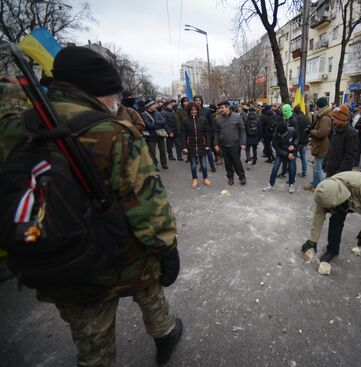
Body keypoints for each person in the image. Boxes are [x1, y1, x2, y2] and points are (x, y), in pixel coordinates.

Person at [1, 46, 182, 366]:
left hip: (57, 255)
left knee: (92, 339)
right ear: (101, 91)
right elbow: (147, 205)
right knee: (149, 289)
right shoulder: (113, 132)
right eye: (116, 94)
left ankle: (156, 335)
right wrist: (166, 247)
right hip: (122, 252)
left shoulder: (17, 127)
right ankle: (165, 333)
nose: (118, 102)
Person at [300, 172, 361, 262]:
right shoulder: (324, 193)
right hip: (342, 201)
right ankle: (332, 250)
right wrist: (313, 240)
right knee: (335, 221)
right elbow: (319, 216)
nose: (328, 209)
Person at [214, 101, 246, 185]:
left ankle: (242, 177)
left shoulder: (237, 117)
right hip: (224, 145)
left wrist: (243, 143)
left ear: (228, 107)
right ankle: (230, 177)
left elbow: (242, 131)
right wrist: (216, 143)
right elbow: (216, 132)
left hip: (235, 145)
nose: (220, 110)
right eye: (220, 108)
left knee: (236, 162)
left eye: (222, 108)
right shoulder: (218, 119)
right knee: (227, 163)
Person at [303, 97, 332, 191]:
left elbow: (322, 133)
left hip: (322, 145)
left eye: (316, 105)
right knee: (316, 167)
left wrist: (311, 131)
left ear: (319, 106)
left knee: (318, 168)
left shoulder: (324, 117)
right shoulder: (321, 115)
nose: (315, 107)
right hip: (319, 144)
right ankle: (315, 183)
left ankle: (324, 187)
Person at [181, 102, 212, 188]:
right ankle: (194, 178)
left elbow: (207, 133)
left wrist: (207, 145)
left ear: (197, 110)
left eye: (195, 110)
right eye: (192, 110)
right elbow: (183, 135)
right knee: (193, 165)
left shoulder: (203, 120)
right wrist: (184, 147)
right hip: (191, 146)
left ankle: (205, 178)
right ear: (188, 111)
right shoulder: (185, 120)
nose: (194, 111)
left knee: (204, 165)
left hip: (202, 145)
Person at [262, 121, 298, 193]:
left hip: (291, 153)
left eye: (283, 134)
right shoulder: (275, 135)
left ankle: (291, 184)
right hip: (280, 153)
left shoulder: (292, 130)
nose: (281, 136)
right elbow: (276, 147)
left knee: (292, 169)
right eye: (279, 134)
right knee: (275, 167)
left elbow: (297, 138)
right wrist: (286, 154)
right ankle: (270, 184)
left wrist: (294, 145)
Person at [324, 104, 358, 178]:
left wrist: (341, 173)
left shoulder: (351, 133)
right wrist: (326, 162)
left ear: (341, 119)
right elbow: (331, 148)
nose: (332, 118)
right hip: (331, 168)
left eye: (334, 117)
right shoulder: (336, 130)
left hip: (339, 172)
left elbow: (349, 156)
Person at [141, 100, 169, 169]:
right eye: (153, 105)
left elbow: (164, 121)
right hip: (151, 136)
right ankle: (154, 166)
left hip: (160, 135)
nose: (155, 106)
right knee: (152, 152)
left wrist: (156, 123)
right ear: (149, 107)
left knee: (163, 151)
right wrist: (159, 125)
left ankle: (164, 164)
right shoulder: (144, 114)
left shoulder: (157, 113)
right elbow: (149, 125)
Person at [193, 96, 216, 171]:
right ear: (194, 102)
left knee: (208, 151)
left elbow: (211, 121)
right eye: (196, 100)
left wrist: (212, 131)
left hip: (207, 133)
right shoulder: (193, 111)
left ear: (202, 101)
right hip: (197, 134)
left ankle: (212, 166)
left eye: (199, 100)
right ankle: (202, 166)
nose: (198, 102)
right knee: (200, 151)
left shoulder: (206, 110)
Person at [293, 105, 310, 177]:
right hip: (305, 140)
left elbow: (296, 131)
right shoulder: (306, 117)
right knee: (303, 157)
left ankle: (293, 171)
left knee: (293, 157)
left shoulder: (296, 118)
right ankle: (304, 172)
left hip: (298, 141)